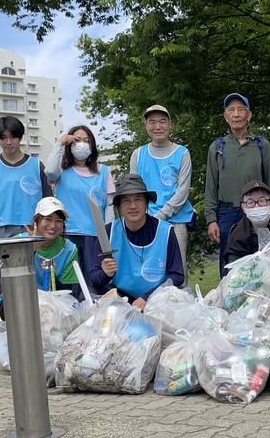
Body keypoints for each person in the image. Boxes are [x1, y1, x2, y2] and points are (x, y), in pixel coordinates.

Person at [0, 116, 52, 344]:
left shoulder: (37, 166)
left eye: (13, 137)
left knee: (28, 280)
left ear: (21, 138)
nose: (9, 142)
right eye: (3, 138)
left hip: (29, 230)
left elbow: (47, 201)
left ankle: (21, 332)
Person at [205, 94, 270, 275]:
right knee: (229, 266)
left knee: (260, 260)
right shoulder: (217, 148)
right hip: (227, 213)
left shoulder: (261, 145)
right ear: (225, 116)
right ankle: (228, 301)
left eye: (240, 109)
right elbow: (211, 185)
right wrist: (211, 219)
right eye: (231, 110)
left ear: (249, 115)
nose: (236, 114)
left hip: (257, 211)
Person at [90, 174, 184, 309]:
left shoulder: (165, 231)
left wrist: (147, 297)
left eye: (138, 199)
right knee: (89, 293)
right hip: (120, 297)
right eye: (126, 201)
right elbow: (94, 278)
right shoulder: (108, 233)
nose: (132, 206)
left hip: (156, 297)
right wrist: (105, 274)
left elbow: (177, 275)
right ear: (119, 206)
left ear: (146, 203)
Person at [45, 124, 113, 286]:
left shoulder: (104, 171)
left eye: (86, 140)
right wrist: (60, 143)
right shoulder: (61, 169)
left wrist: (108, 237)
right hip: (67, 235)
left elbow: (109, 207)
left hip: (94, 237)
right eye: (77, 140)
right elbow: (49, 171)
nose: (82, 144)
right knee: (68, 284)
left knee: (93, 284)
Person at [130, 105, 194, 273]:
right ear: (146, 126)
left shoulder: (182, 153)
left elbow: (182, 191)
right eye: (152, 122)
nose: (157, 126)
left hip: (176, 221)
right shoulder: (138, 154)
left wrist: (160, 215)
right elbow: (133, 190)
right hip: (145, 222)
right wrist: (146, 218)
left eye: (162, 122)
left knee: (177, 271)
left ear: (170, 125)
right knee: (148, 270)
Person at [25, 197, 86, 297]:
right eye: (48, 219)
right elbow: (12, 282)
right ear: (36, 220)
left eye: (58, 221)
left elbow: (70, 295)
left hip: (55, 305)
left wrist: (51, 276)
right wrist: (31, 252)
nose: (53, 226)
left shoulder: (69, 249)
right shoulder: (17, 242)